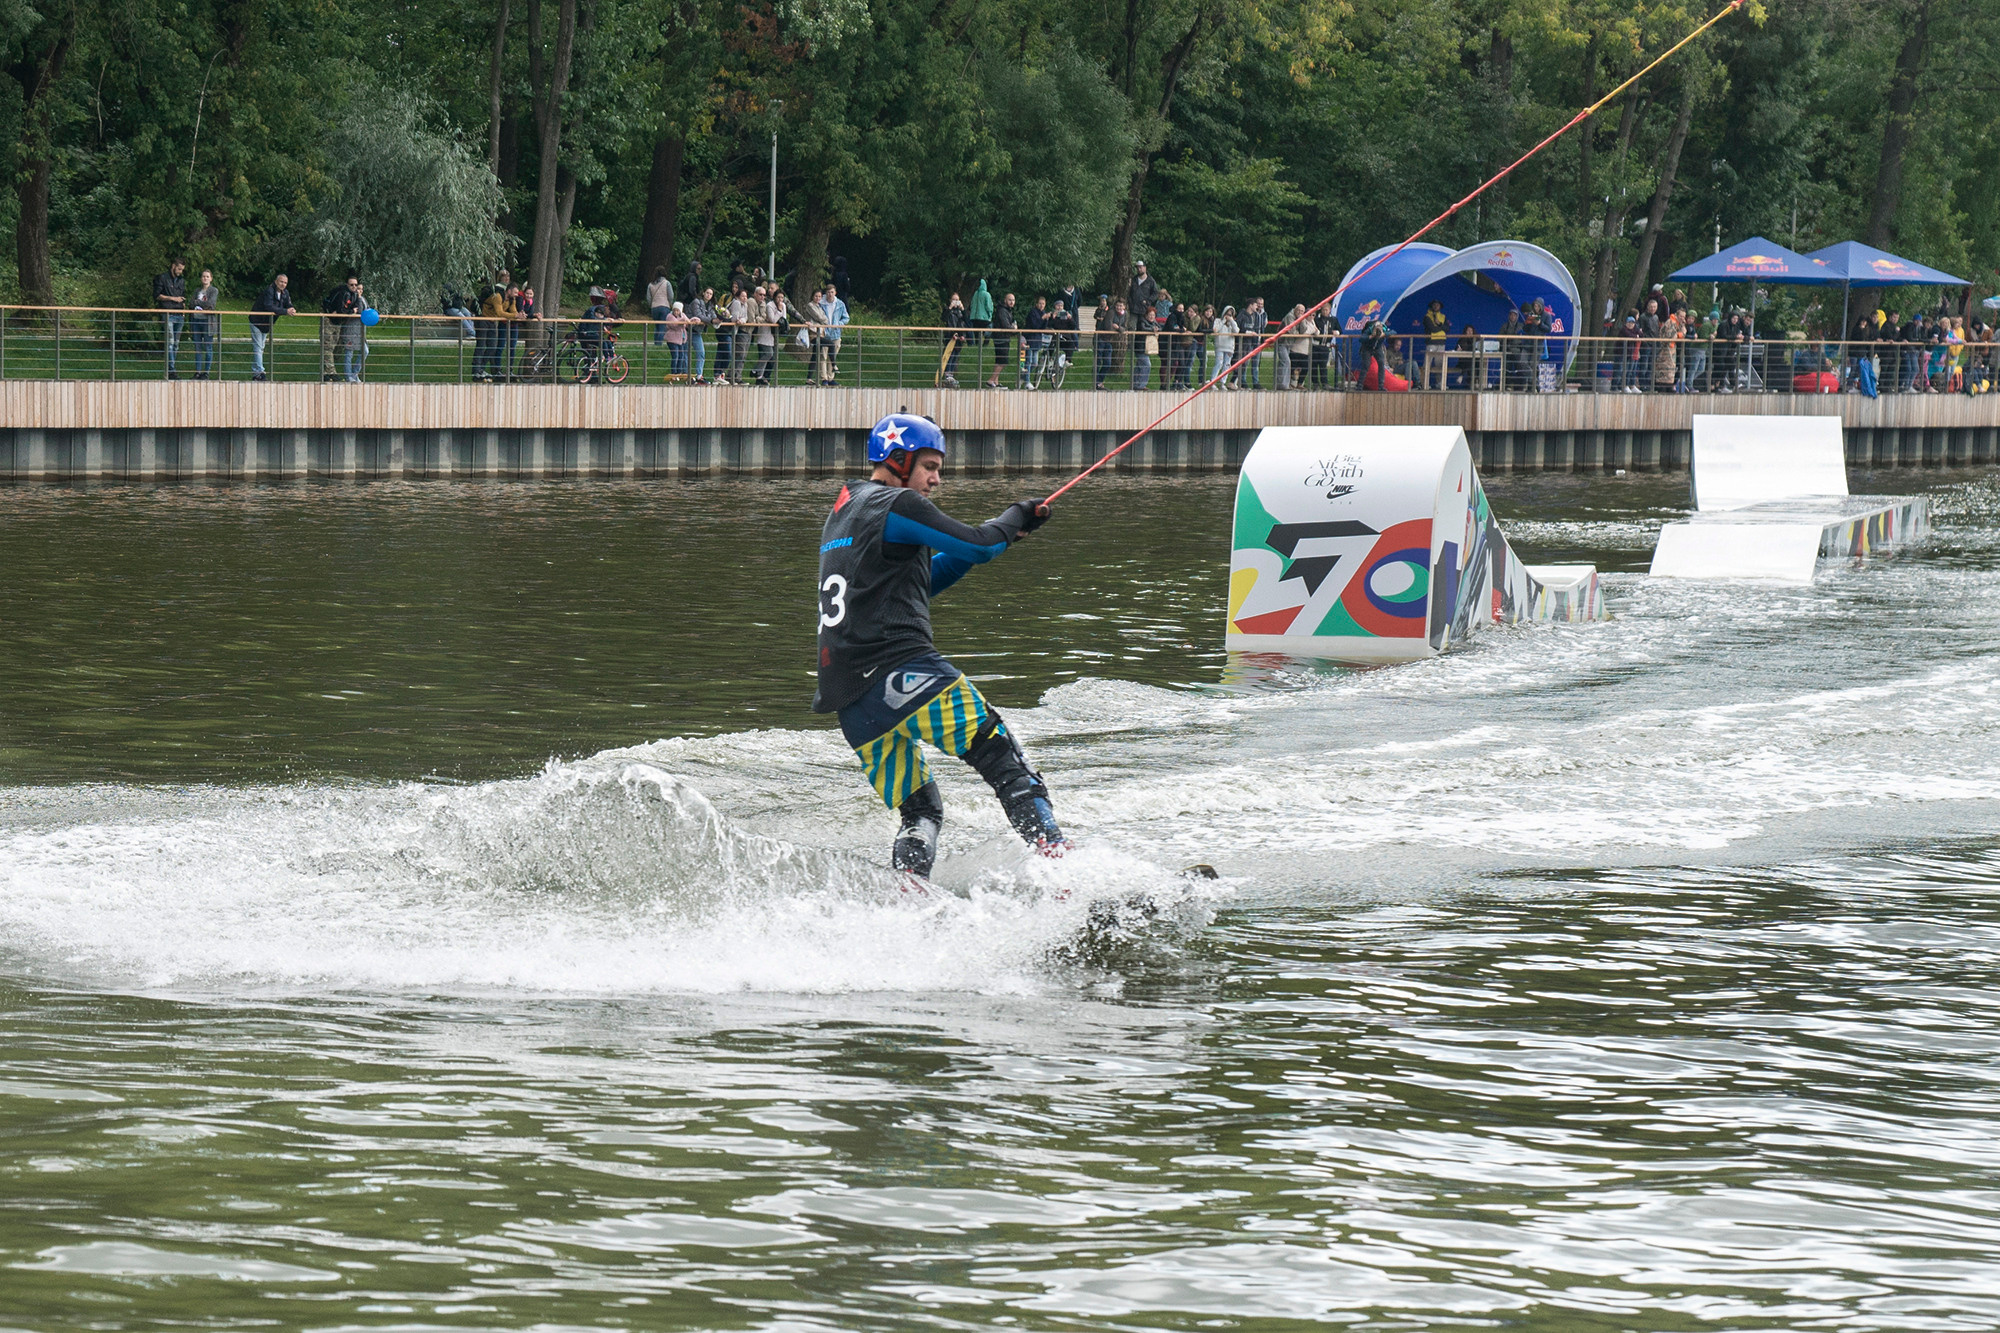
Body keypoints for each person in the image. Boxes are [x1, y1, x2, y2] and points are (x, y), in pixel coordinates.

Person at [815, 414, 1062, 878]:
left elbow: (918, 584)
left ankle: (910, 897)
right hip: (901, 670)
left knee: (921, 811)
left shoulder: (847, 509)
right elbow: (980, 545)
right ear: (898, 460)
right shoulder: (897, 502)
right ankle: (1066, 875)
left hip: (851, 700)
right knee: (1003, 759)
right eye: (929, 466)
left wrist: (1001, 537)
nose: (936, 479)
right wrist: (1016, 515)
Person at [249, 274, 294, 381]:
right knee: (258, 346)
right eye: (281, 282)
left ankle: (256, 372)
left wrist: (291, 309)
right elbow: (269, 306)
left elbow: (288, 304)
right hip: (257, 321)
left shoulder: (285, 293)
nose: (283, 284)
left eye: (285, 283)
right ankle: (260, 372)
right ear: (276, 281)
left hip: (267, 324)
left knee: (261, 347)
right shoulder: (269, 291)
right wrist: (285, 311)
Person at [154, 257, 188, 379]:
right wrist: (173, 298)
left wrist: (184, 310)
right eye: (179, 269)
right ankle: (172, 370)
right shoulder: (162, 278)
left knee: (176, 344)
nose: (180, 271)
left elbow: (183, 296)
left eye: (182, 269)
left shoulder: (181, 280)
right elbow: (157, 295)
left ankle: (170, 368)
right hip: (168, 313)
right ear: (173, 266)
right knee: (170, 342)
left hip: (179, 314)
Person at [322, 274, 360, 382]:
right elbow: (341, 310)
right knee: (327, 347)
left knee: (333, 347)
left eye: (355, 285)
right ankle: (331, 372)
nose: (354, 287)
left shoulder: (354, 295)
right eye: (351, 285)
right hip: (329, 320)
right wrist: (351, 311)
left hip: (338, 322)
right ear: (347, 284)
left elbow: (356, 307)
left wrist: (352, 308)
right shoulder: (343, 293)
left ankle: (326, 373)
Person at [187, 269, 220, 379]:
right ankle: (198, 371)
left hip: (207, 322)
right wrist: (201, 304)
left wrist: (198, 302)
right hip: (196, 320)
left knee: (208, 347)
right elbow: (191, 303)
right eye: (203, 276)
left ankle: (206, 372)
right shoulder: (197, 290)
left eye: (207, 276)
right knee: (197, 347)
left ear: (211, 278)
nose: (205, 278)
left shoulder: (213, 290)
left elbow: (211, 304)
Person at [342, 280, 371, 382]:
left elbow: (367, 310)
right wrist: (358, 297)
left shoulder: (363, 299)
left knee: (365, 351)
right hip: (351, 330)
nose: (360, 291)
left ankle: (354, 373)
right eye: (358, 289)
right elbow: (359, 311)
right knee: (349, 352)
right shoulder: (352, 298)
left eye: (361, 289)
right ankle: (348, 376)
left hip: (360, 331)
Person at [988, 292, 1018, 389]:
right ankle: (991, 380)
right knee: (1003, 361)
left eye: (1013, 300)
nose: (1011, 302)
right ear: (1005, 300)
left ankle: (995, 382)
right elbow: (1006, 326)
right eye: (1010, 300)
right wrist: (1014, 328)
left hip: (1003, 338)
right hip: (1001, 338)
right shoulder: (1002, 311)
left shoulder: (1007, 310)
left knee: (998, 361)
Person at [688, 288, 716, 382]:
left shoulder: (710, 305)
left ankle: (699, 376)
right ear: (703, 293)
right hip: (688, 330)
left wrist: (717, 319)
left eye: (711, 294)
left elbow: (713, 316)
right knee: (685, 353)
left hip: (697, 332)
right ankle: (685, 375)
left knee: (701, 353)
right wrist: (711, 320)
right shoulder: (696, 302)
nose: (708, 295)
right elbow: (698, 315)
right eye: (707, 293)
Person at [1422, 300, 1449, 390]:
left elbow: (1447, 329)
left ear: (1440, 306)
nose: (1436, 306)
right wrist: (1441, 327)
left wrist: (1439, 324)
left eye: (1438, 305)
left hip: (1441, 342)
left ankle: (1439, 383)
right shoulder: (1427, 316)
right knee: (1427, 363)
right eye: (1434, 305)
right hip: (1431, 342)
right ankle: (1424, 383)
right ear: (1431, 306)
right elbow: (1432, 329)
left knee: (1440, 364)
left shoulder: (1443, 316)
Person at [1214, 305, 1239, 388]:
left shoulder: (1233, 323)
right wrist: (1223, 321)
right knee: (1219, 363)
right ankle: (1213, 381)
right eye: (1227, 314)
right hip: (1220, 346)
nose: (1228, 316)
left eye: (1230, 315)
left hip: (1229, 347)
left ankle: (1223, 382)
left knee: (1227, 365)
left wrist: (1231, 321)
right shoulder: (1218, 321)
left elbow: (1236, 331)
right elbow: (1216, 330)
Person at [647, 268, 675, 345]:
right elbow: (671, 296)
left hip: (654, 307)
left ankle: (656, 342)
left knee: (657, 326)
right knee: (662, 326)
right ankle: (659, 344)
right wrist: (670, 303)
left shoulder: (650, 285)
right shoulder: (667, 283)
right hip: (664, 306)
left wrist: (652, 305)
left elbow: (648, 298)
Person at [664, 300, 690, 376]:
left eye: (677, 310)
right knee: (675, 356)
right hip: (672, 340)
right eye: (674, 310)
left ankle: (679, 371)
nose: (676, 312)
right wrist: (683, 321)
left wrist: (694, 320)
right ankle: (673, 372)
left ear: (680, 311)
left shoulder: (683, 315)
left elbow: (688, 322)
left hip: (681, 340)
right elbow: (674, 324)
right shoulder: (669, 316)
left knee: (681, 356)